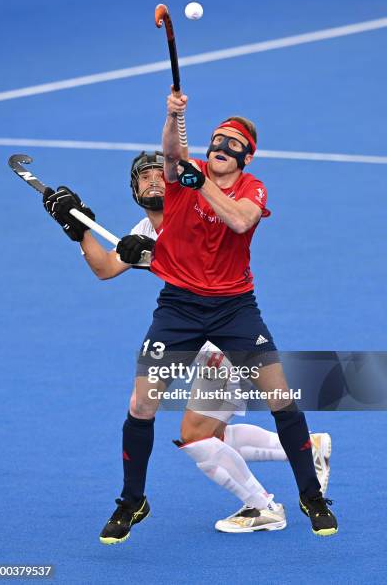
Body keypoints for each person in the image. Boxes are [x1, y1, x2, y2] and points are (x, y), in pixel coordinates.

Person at [42, 151, 332, 541]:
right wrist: (79, 230)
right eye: (144, 177)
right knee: (162, 415)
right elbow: (105, 268)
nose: (153, 180)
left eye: (159, 173)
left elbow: (201, 251)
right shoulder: (145, 225)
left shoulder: (197, 206)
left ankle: (265, 505)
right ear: (135, 190)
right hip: (183, 325)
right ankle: (305, 449)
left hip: (226, 328)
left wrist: (150, 252)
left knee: (198, 435)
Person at [113, 90, 338, 538]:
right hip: (178, 307)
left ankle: (311, 496)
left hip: (235, 308)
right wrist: (173, 116)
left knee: (281, 398)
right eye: (217, 140)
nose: (220, 148)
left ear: (245, 158)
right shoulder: (184, 174)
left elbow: (238, 220)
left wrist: (206, 187)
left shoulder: (252, 189)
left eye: (232, 144)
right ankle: (132, 502)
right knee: (141, 404)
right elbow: (173, 153)